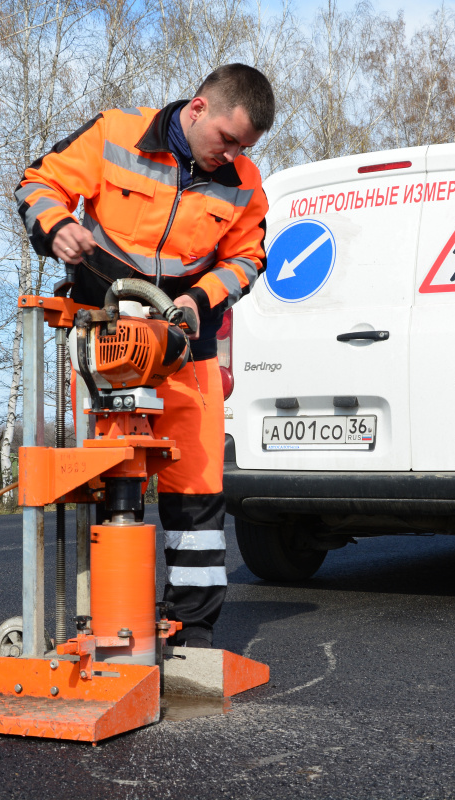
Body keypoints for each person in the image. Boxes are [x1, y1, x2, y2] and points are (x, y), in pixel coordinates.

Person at [15, 64, 274, 648]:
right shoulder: (116, 134)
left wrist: (197, 299)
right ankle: (108, 619)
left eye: (244, 146)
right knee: (107, 480)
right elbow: (37, 183)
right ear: (199, 108)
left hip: (186, 347)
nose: (230, 154)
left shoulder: (246, 181)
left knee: (198, 494)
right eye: (227, 139)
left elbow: (249, 259)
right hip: (103, 340)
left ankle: (194, 629)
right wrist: (55, 226)